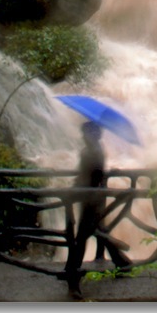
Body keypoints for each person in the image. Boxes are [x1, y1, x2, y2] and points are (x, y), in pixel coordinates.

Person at [65, 121, 130, 299]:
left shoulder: (92, 152)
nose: (83, 137)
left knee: (81, 239)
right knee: (97, 232)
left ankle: (73, 278)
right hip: (94, 199)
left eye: (86, 133)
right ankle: (122, 262)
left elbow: (89, 177)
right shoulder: (95, 150)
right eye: (84, 133)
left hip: (90, 201)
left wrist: (74, 189)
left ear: (95, 135)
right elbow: (89, 176)